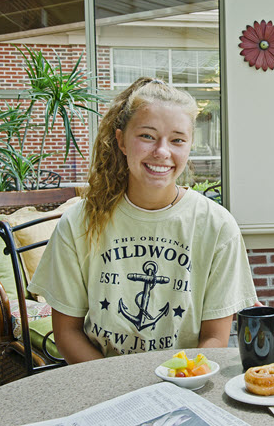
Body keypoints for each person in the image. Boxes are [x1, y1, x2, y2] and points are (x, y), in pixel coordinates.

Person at [29, 77, 257, 363]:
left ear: (189, 147)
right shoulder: (79, 223)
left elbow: (214, 337)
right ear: (121, 140)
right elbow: (67, 333)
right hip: (101, 379)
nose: (162, 152)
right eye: (147, 136)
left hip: (184, 383)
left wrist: (176, 382)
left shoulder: (217, 227)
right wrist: (116, 390)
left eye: (177, 140)